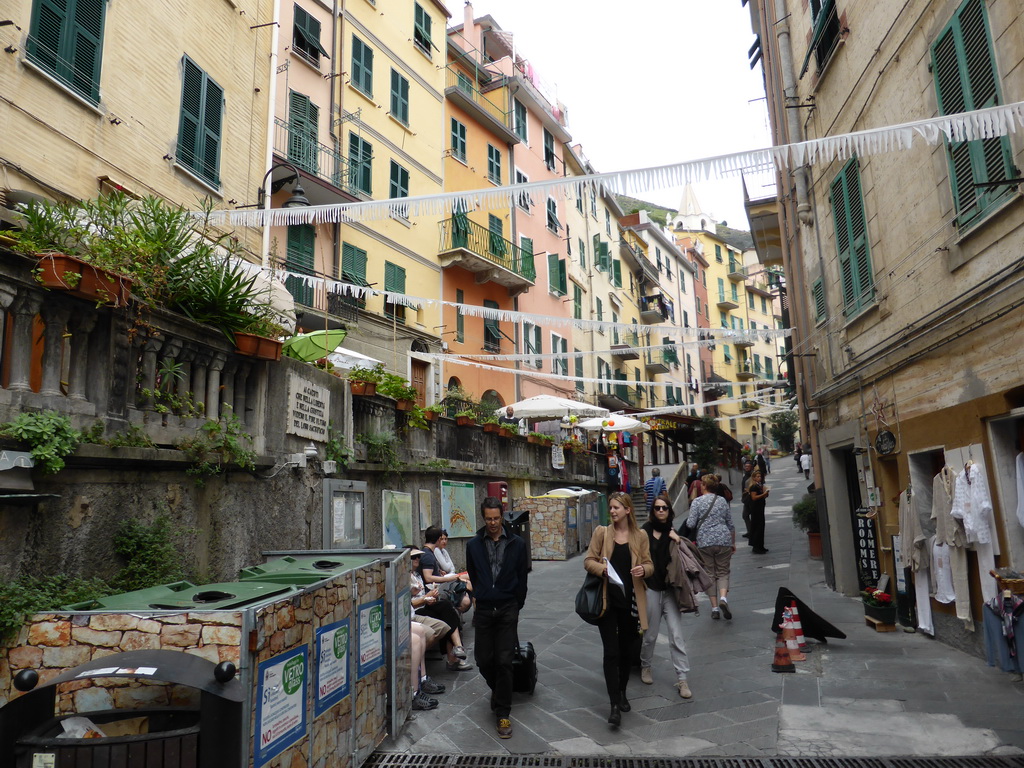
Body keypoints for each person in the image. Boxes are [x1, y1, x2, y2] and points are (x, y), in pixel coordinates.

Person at [583, 491, 653, 727]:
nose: (612, 511)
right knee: (610, 653)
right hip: (607, 602)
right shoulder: (602, 533)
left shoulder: (640, 535)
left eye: (616, 508)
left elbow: (649, 564)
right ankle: (614, 704)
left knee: (625, 653)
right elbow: (588, 560)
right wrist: (601, 570)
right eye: (611, 508)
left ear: (627, 510)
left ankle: (622, 691)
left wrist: (644, 570)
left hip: (630, 603)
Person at [465, 497, 529, 740]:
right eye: (488, 519)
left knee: (504, 660)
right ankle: (499, 690)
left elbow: (522, 576)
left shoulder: (517, 544)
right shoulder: (473, 545)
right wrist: (481, 594)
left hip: (507, 607)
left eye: (496, 518)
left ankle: (503, 712)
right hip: (484, 608)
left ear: (502, 517)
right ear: (483, 518)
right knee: (483, 659)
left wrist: (517, 602)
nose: (492, 523)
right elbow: (473, 572)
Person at [639, 494, 692, 699]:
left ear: (670, 511)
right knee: (650, 635)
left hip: (670, 591)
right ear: (653, 511)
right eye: (657, 508)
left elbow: (684, 560)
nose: (661, 511)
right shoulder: (644, 531)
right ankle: (645, 666)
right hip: (651, 589)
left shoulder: (673, 532)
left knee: (676, 635)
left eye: (665, 508)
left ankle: (682, 678)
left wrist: (678, 541)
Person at [682, 474, 735, 620]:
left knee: (709, 573)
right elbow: (730, 523)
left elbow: (690, 524)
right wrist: (733, 542)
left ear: (703, 486)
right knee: (723, 572)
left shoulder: (697, 502)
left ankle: (715, 608)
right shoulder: (722, 500)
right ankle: (723, 598)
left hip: (704, 541)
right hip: (723, 539)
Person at [409, 550, 472, 671]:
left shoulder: (417, 575)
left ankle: (456, 652)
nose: (417, 559)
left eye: (418, 557)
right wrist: (424, 599)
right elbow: (408, 604)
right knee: (446, 612)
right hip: (415, 610)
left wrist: (431, 595)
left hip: (424, 606)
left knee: (447, 608)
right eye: (414, 557)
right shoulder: (404, 578)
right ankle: (455, 654)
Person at [421, 526, 472, 613]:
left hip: (439, 584)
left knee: (468, 584)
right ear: (439, 539)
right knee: (467, 588)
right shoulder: (428, 555)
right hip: (435, 588)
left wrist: (440, 572)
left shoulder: (428, 553)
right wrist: (448, 578)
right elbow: (428, 578)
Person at [747, 469, 770, 554]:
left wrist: (766, 493)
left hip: (760, 508)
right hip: (756, 510)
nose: (759, 478)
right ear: (754, 478)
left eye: (760, 476)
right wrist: (763, 494)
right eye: (757, 476)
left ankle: (761, 545)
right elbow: (754, 497)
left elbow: (762, 496)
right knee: (757, 527)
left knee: (761, 527)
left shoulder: (759, 486)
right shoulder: (753, 487)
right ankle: (756, 546)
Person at [740, 458, 755, 540]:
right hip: (746, 499)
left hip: (751, 499)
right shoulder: (745, 475)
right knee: (745, 515)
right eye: (746, 466)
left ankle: (752, 531)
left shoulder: (753, 476)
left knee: (748, 515)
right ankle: (750, 531)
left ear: (751, 467)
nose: (747, 468)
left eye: (748, 466)